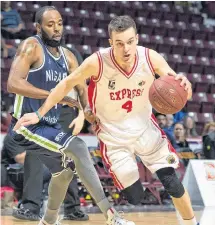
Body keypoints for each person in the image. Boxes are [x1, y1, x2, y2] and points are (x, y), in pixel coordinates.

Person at [14, 15, 199, 225]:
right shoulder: (98, 61)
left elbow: (181, 90)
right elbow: (65, 85)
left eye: (130, 42)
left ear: (137, 39)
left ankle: (192, 222)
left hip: (146, 131)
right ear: (111, 43)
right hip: (114, 138)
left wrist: (186, 84)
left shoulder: (150, 57)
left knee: (172, 182)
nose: (126, 49)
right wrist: (39, 113)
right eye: (119, 44)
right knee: (135, 197)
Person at [7, 6, 134, 225]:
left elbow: (83, 91)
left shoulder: (68, 57)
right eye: (50, 25)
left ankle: (47, 220)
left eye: (59, 23)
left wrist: (88, 112)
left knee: (65, 172)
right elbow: (13, 84)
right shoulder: (31, 46)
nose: (56, 29)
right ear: (38, 27)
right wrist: (55, 96)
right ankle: (111, 215)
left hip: (49, 127)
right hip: (25, 126)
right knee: (78, 147)